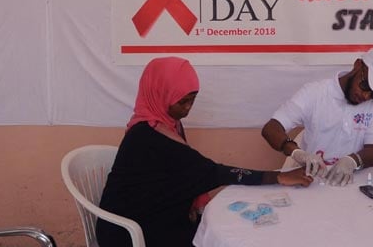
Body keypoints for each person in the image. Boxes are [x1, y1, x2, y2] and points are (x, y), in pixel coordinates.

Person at [96, 57, 313, 247]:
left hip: (156, 211)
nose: (188, 108)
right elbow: (211, 172)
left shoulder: (167, 124)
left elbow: (191, 172)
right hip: (129, 230)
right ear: (160, 94)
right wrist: (279, 177)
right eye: (183, 101)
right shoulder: (147, 136)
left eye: (192, 100)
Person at [261, 47, 373, 186]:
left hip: (355, 180)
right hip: (313, 179)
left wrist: (352, 161)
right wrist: (296, 152)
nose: (366, 96)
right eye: (365, 85)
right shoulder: (314, 93)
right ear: (358, 65)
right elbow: (271, 129)